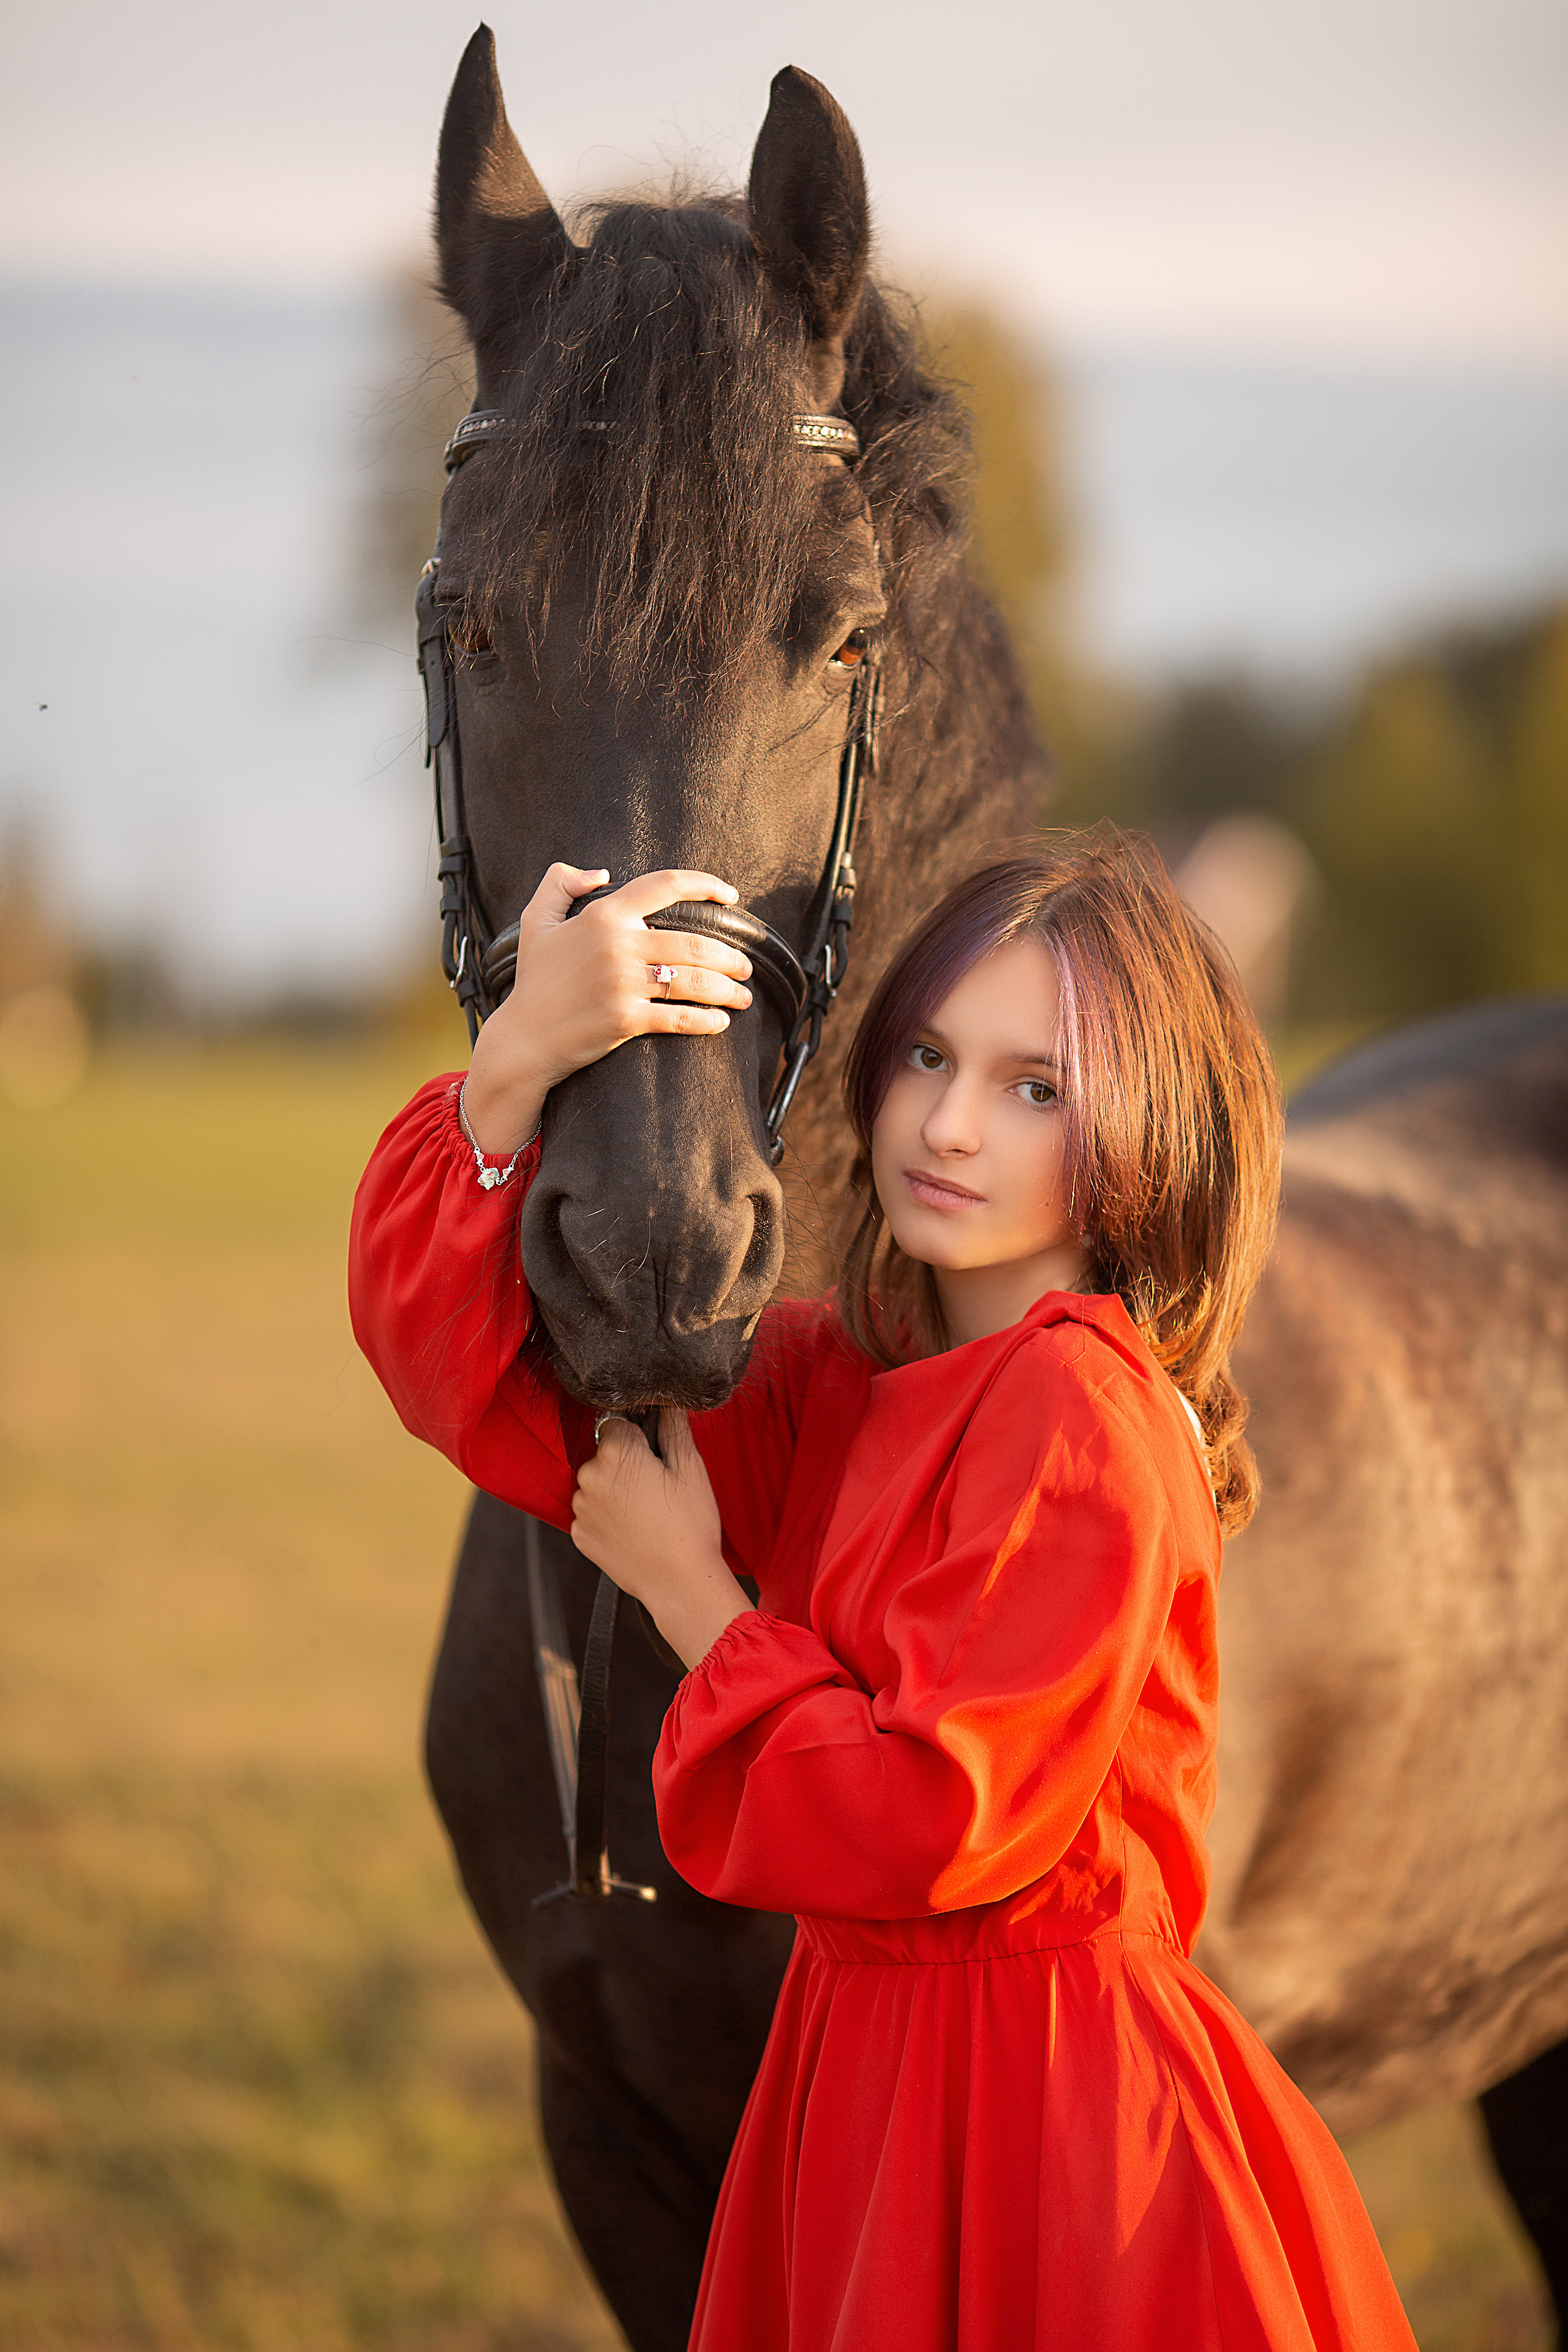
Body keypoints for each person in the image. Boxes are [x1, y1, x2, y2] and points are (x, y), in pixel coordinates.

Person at [350, 834, 1417, 2351]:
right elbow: (492, 1381)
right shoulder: (844, 1383)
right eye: (927, 1055)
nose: (952, 1124)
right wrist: (521, 1053)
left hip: (1042, 2116)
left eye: (1031, 1086)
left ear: (1143, 1127)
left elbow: (927, 1816)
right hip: (863, 2078)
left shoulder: (1086, 1422)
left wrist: (694, 1601)